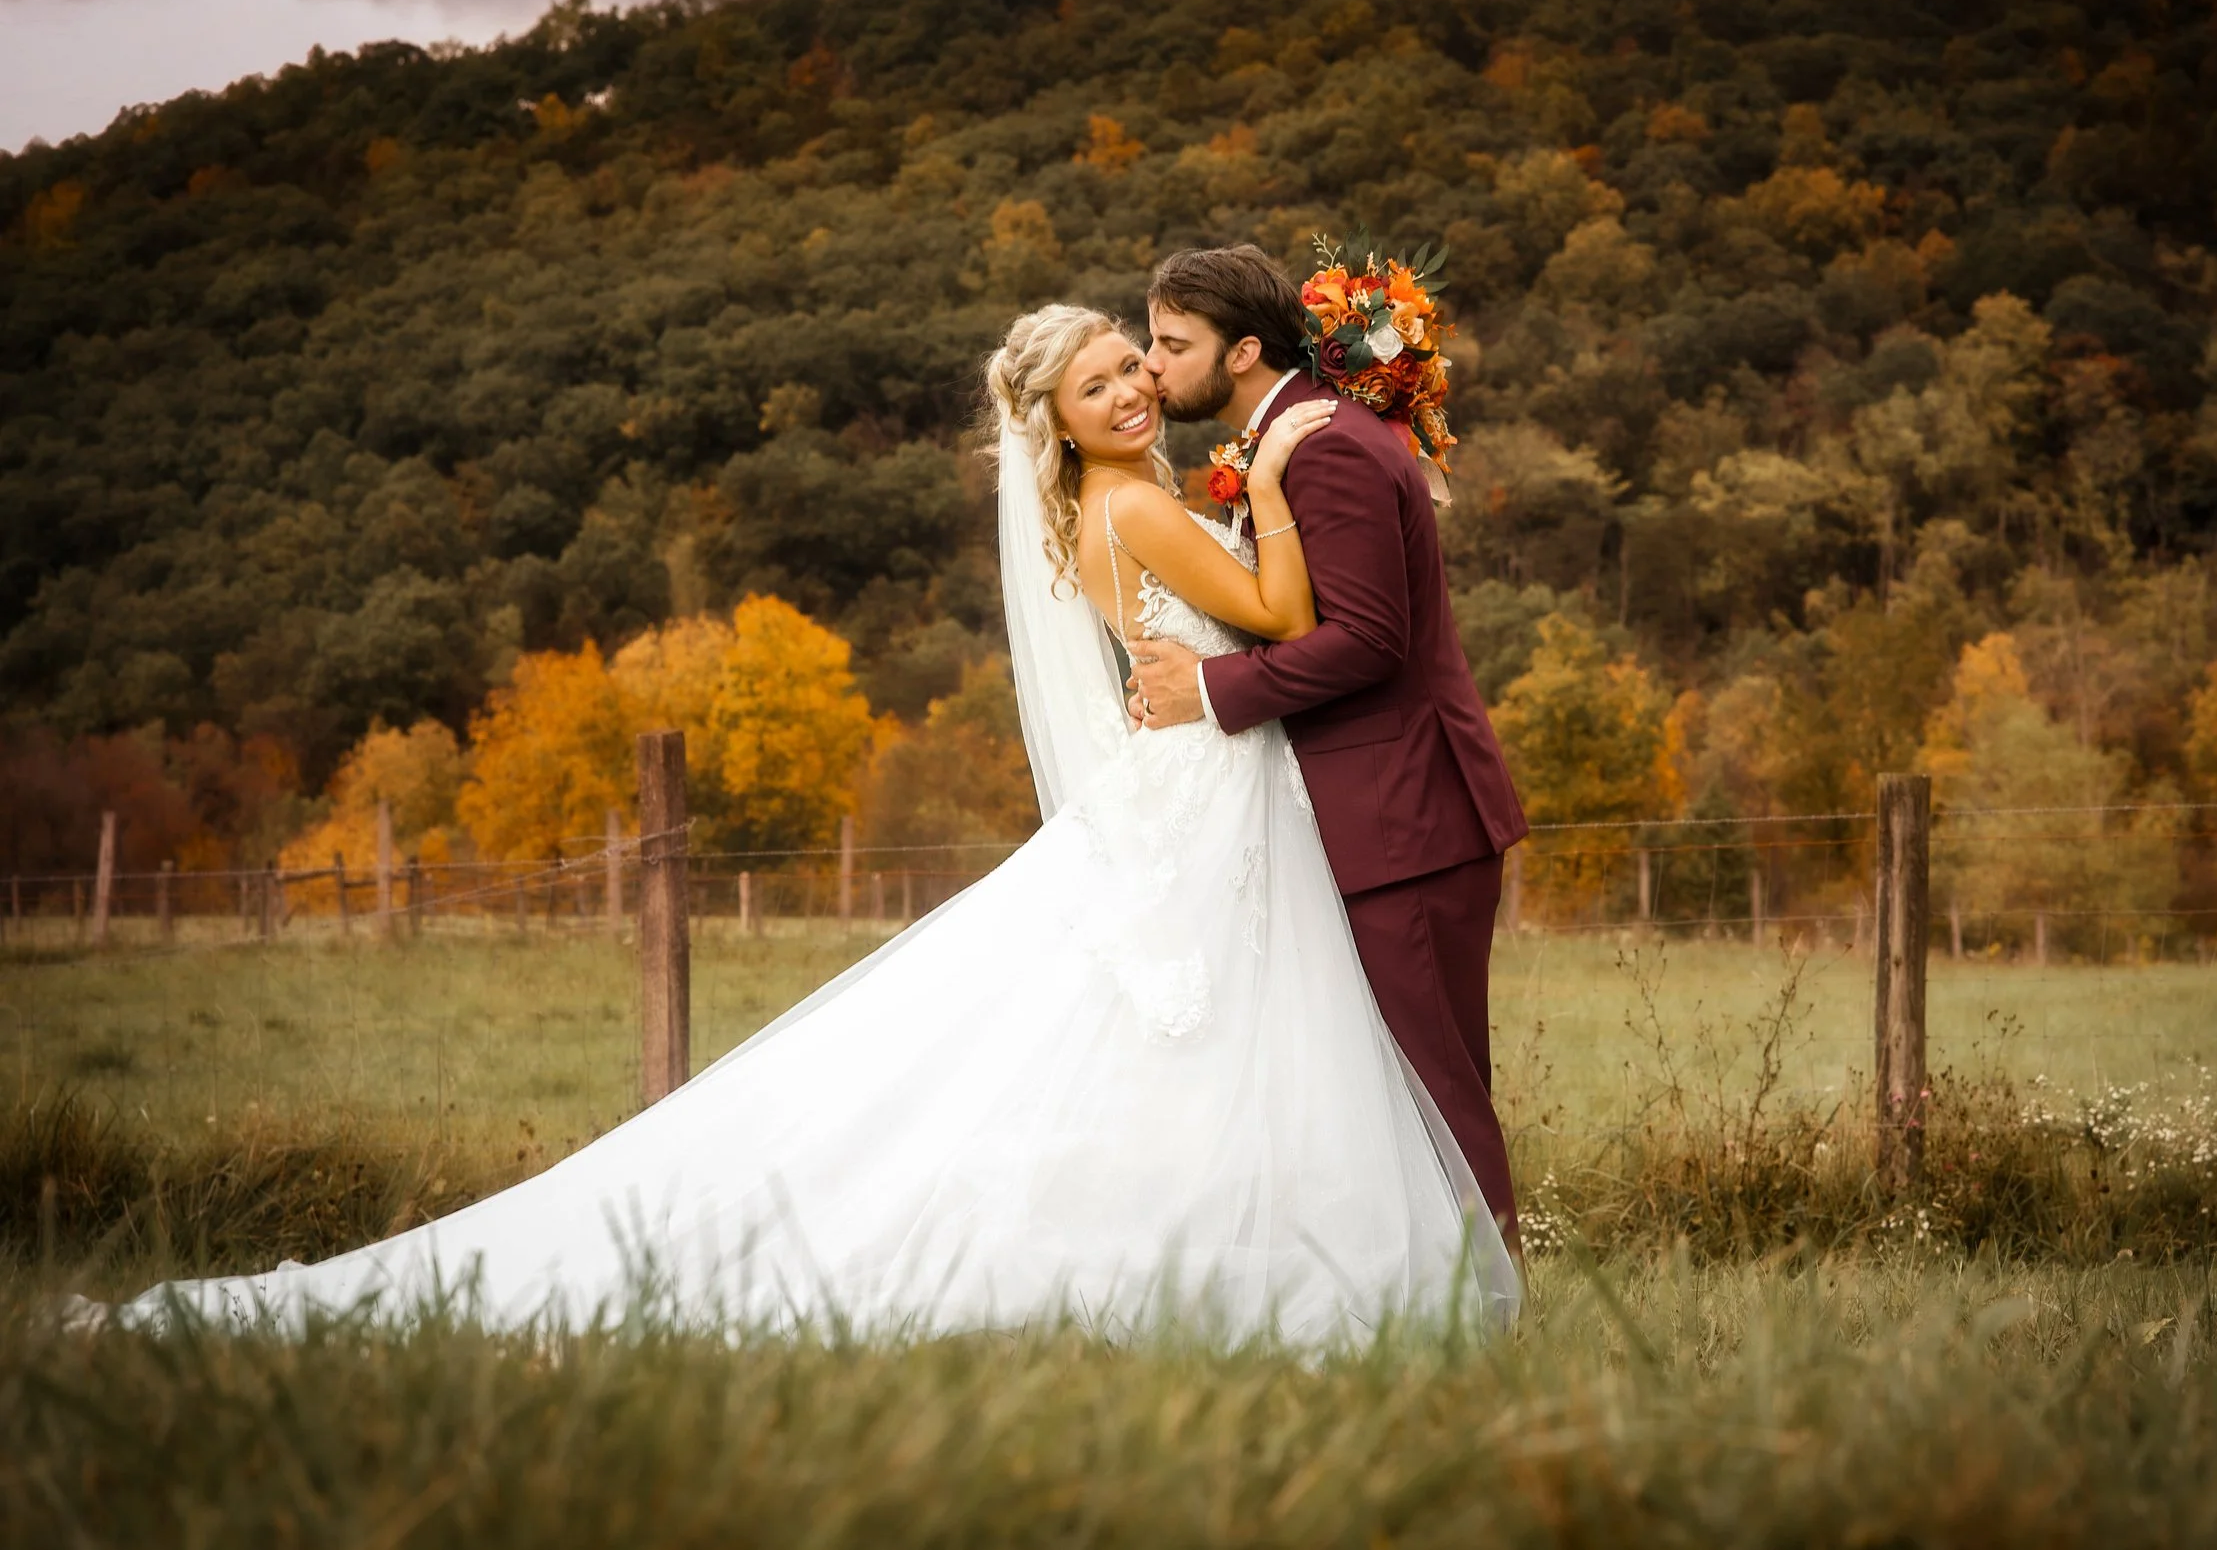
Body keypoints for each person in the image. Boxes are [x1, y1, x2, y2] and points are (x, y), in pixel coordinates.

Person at [91, 305, 1516, 1346]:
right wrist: (1268, 487)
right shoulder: (1139, 508)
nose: (1135, 388)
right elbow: (1274, 614)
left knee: (1187, 1036)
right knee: (1184, 1030)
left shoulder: (1103, 503)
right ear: (1059, 423)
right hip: (1203, 792)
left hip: (1203, 781)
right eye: (1099, 383)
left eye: (1135, 363)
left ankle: (1237, 1248)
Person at [1129, 246, 1529, 1253]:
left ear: (1244, 349)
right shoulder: (1286, 441)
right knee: (1391, 1085)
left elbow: (1366, 639)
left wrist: (1209, 691)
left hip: (1408, 814)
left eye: (1172, 345)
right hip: (1366, 810)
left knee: (1434, 1082)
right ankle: (1421, 1292)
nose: (1150, 366)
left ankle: (1492, 1302)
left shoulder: (1328, 448)